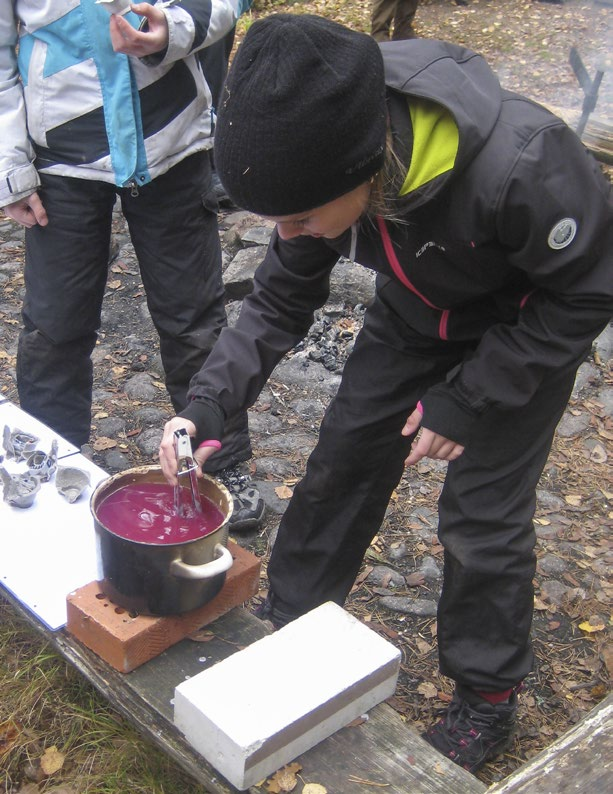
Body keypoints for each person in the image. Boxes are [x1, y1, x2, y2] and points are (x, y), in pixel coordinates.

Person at [159, 13, 613, 772]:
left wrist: (469, 398)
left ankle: (485, 695)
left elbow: (589, 291)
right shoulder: (315, 151)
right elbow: (275, 302)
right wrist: (206, 405)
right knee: (341, 458)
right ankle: (295, 622)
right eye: (277, 220)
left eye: (299, 218)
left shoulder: (522, 164)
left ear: (365, 170)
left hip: (521, 335)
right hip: (411, 317)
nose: (290, 233)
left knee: (480, 518)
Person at [0, 1, 263, 531]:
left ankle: (221, 460)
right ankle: (53, 469)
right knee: (55, 328)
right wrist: (9, 166)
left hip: (173, 136)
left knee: (194, 319)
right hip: (60, 156)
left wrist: (178, 27)